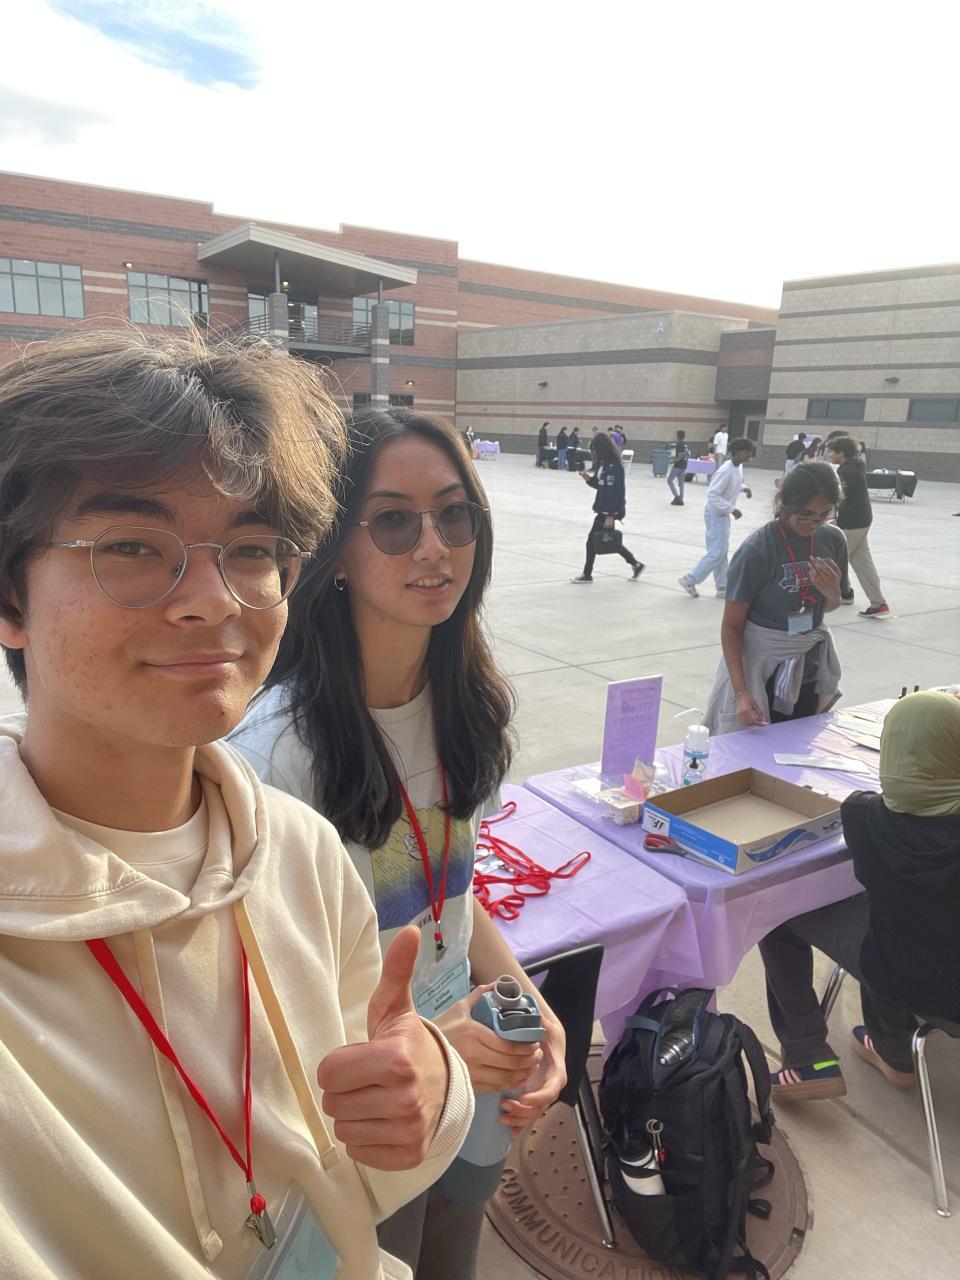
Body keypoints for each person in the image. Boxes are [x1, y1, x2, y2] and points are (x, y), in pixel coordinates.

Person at [0, 331, 473, 1280]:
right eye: (134, 547)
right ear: (10, 596)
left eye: (251, 550)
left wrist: (433, 1080)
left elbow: (361, 1138)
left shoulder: (297, 849)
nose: (215, 601)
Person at [229, 407, 566, 1280]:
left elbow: (451, 901)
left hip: (471, 1045)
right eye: (393, 521)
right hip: (365, 1092)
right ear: (336, 551)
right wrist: (428, 1048)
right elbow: (261, 1006)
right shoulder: (273, 758)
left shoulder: (467, 704)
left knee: (459, 1241)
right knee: (393, 1255)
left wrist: (531, 1000)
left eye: (455, 515)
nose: (434, 547)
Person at [760, 691, 960, 1101]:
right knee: (895, 917)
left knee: (776, 911)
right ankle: (892, 1046)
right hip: (937, 975)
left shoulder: (864, 817)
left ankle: (808, 1056)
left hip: (909, 977)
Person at [704, 462, 847, 735]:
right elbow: (732, 626)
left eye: (824, 514)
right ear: (786, 504)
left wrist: (833, 593)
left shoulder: (832, 539)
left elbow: (829, 607)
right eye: (805, 514)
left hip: (808, 665)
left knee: (798, 741)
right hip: (761, 667)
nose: (814, 523)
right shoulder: (758, 550)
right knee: (754, 744)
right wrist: (741, 692)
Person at [678, 438, 755, 600]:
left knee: (722, 552)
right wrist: (732, 509)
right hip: (715, 514)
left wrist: (744, 488)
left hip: (722, 514)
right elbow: (712, 494)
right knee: (716, 552)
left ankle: (722, 586)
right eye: (748, 452)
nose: (750, 455)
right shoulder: (725, 470)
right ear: (739, 452)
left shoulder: (737, 468)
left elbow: (733, 485)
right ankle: (689, 580)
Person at [826, 435, 890, 618]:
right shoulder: (853, 467)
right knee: (862, 563)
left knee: (832, 562)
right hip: (860, 520)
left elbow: (839, 497)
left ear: (842, 453)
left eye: (832, 451)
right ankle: (878, 603)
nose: (829, 455)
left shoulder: (847, 471)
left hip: (852, 523)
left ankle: (826, 597)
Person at [571, 431, 644, 583]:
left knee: (592, 542)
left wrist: (610, 516)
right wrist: (587, 478)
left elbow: (614, 492)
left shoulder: (614, 467)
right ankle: (635, 564)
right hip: (605, 509)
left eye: (595, 450)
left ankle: (587, 574)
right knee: (609, 541)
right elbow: (601, 486)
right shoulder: (604, 465)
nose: (594, 453)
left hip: (609, 510)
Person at [667, 429, 690, 506]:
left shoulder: (679, 444)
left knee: (669, 480)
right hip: (684, 465)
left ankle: (676, 496)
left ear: (677, 436)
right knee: (681, 483)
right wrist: (674, 458)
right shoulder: (685, 445)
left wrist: (672, 461)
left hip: (678, 466)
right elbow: (686, 455)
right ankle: (681, 499)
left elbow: (680, 456)